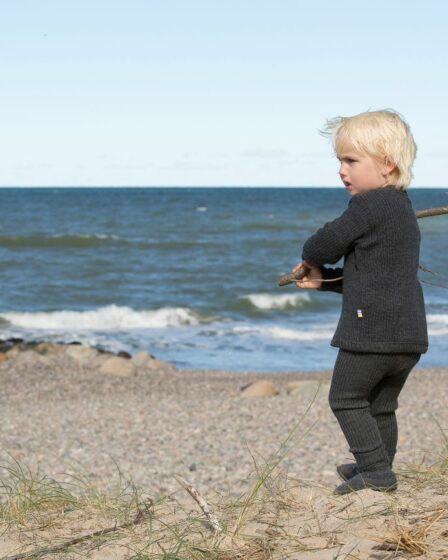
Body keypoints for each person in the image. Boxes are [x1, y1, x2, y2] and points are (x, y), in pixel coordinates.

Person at [294, 109, 429, 495]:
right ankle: (377, 462)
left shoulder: (369, 206)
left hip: (372, 333)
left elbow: (322, 245)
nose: (341, 170)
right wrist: (323, 283)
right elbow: (375, 280)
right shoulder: (401, 209)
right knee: (380, 405)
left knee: (347, 398)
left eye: (351, 161)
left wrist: (312, 257)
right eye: (339, 160)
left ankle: (376, 473)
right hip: (408, 336)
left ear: (386, 165)